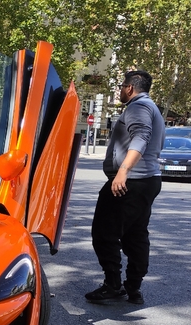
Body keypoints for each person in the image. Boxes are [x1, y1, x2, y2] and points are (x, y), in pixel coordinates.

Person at [85, 70, 164, 305]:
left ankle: (113, 285)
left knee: (104, 234)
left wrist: (123, 171)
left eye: (121, 86)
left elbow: (141, 136)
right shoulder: (152, 107)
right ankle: (133, 288)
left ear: (130, 88)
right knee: (136, 234)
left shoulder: (138, 107)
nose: (120, 90)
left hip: (130, 183)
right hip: (148, 181)